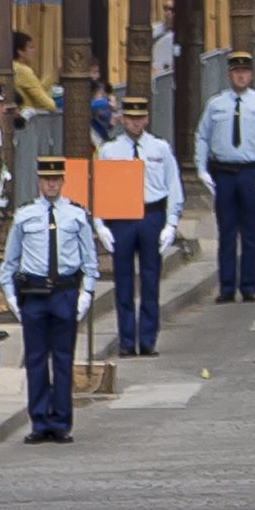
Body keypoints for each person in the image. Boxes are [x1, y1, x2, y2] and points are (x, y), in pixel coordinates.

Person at [3, 164, 100, 442]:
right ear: (39, 181)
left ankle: (60, 422)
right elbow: (9, 263)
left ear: (63, 181)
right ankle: (39, 422)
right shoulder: (25, 215)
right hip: (34, 294)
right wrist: (11, 299)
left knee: (62, 358)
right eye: (47, 180)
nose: (51, 185)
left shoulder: (76, 215)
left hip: (64, 293)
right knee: (35, 360)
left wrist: (86, 295)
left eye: (56, 179)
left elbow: (90, 262)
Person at [87, 93, 183, 360]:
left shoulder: (160, 148)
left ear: (147, 119)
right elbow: (100, 189)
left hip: (151, 215)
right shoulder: (109, 150)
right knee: (124, 282)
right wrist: (100, 225)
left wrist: (171, 223)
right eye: (130, 118)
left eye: (140, 118)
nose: (135, 123)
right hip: (121, 218)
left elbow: (173, 186)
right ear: (122, 119)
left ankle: (149, 339)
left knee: (151, 281)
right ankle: (127, 341)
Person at [196, 52, 255, 305]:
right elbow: (202, 136)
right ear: (229, 75)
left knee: (249, 232)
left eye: (245, 72)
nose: (241, 76)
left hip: (251, 172)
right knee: (225, 231)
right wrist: (201, 168)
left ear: (252, 75)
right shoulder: (216, 104)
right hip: (223, 172)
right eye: (236, 72)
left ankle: (249, 286)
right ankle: (226, 286)